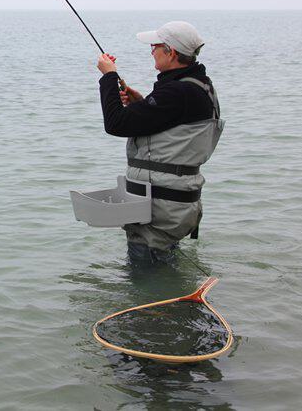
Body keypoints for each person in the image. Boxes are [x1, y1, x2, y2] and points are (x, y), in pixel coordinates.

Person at [95, 21, 224, 265]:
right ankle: (177, 301)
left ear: (171, 53)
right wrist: (141, 103)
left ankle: (167, 304)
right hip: (179, 202)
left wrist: (109, 77)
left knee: (147, 281)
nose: (151, 52)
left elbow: (116, 124)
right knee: (163, 266)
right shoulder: (200, 86)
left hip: (162, 208)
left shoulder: (177, 92)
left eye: (154, 47)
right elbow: (174, 126)